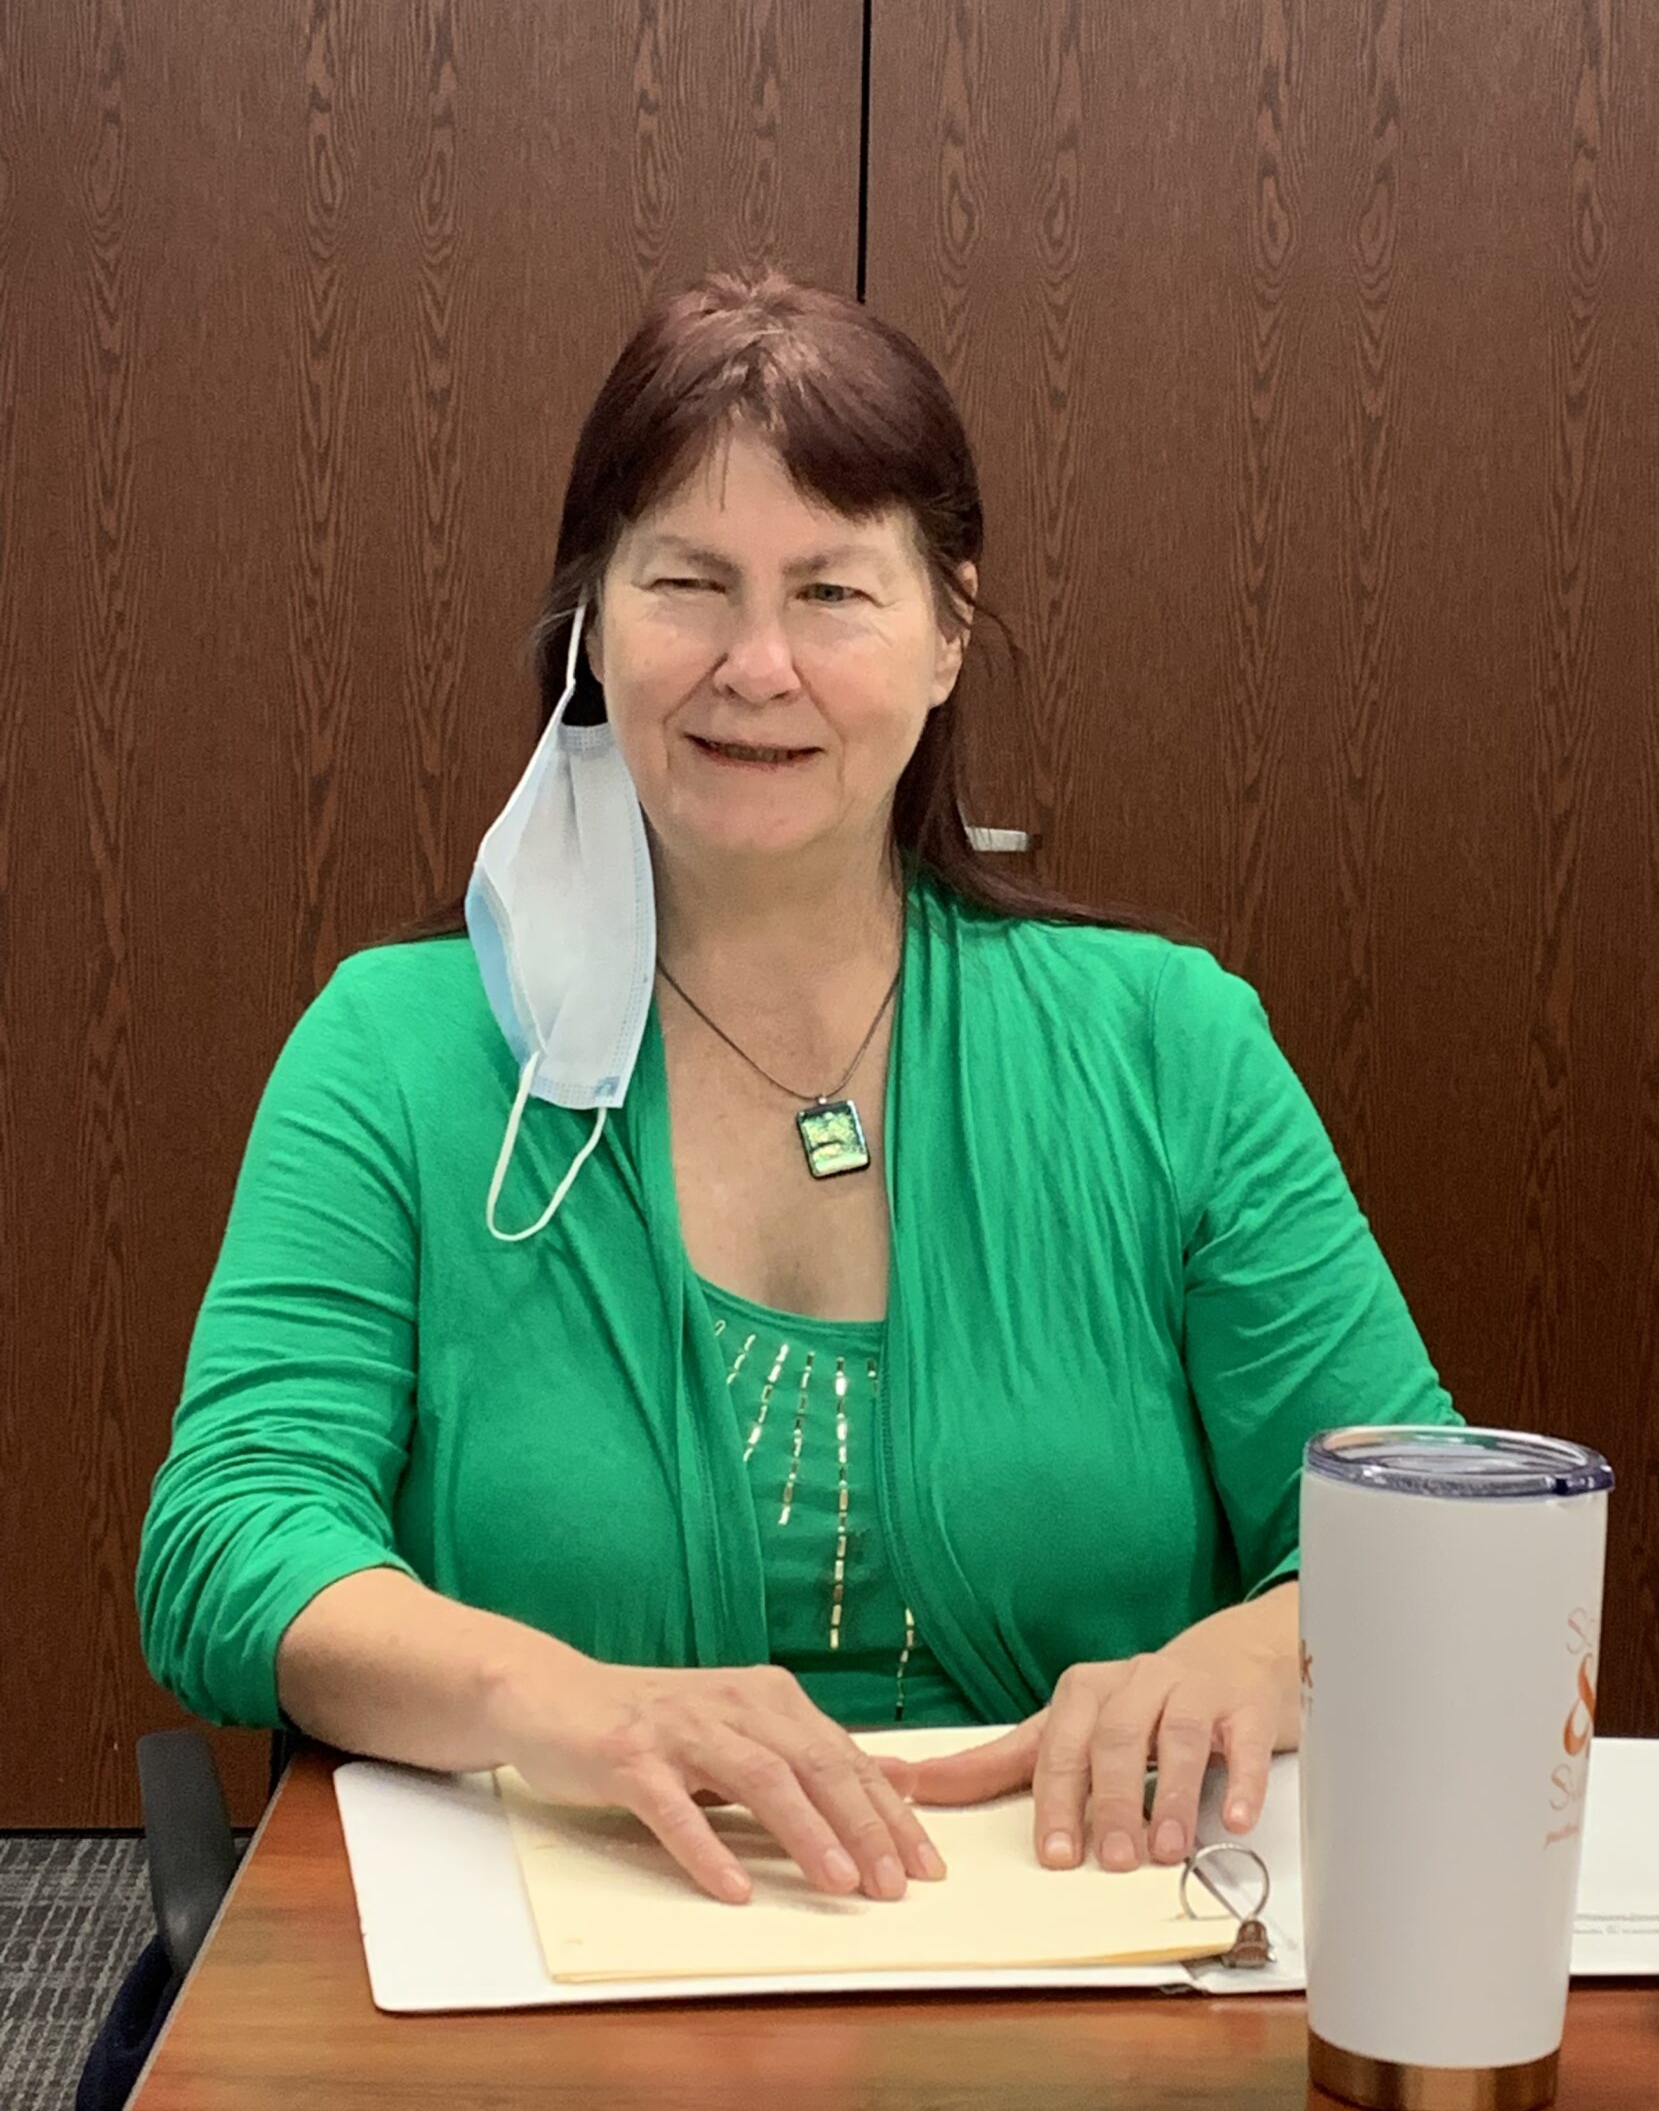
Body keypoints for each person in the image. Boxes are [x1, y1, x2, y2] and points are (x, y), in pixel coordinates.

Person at [136, 270, 1454, 1910]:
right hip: (560, 1976)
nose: (757, 665)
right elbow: (228, 1540)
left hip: (1088, 1964)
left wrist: (1262, 1652)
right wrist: (561, 1704)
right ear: (592, 630)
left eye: (833, 593)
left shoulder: (1169, 1043)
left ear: (950, 630)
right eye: (688, 583)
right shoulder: (397, 1050)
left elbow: (1435, 1532)